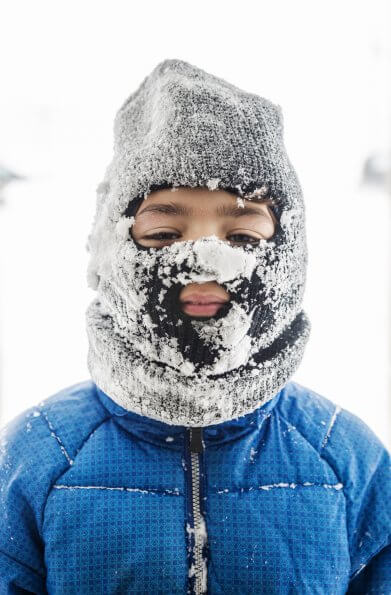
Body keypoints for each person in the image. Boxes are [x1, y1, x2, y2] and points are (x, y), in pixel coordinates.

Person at [0, 58, 390, 594]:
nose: (206, 258)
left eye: (244, 239)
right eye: (163, 233)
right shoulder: (39, 455)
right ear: (112, 250)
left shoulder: (344, 457)